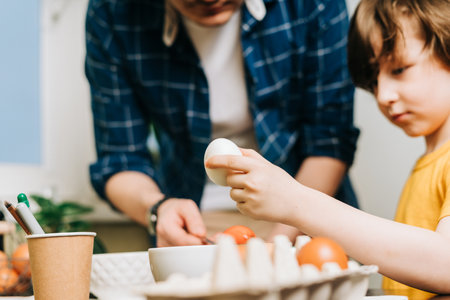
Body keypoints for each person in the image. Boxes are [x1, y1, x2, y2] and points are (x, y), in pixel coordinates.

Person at [206, 0, 450, 296]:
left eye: (399, 69)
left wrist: (295, 200)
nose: (383, 95)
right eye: (373, 81)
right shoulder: (432, 162)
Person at [85, 0, 360, 247]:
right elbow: (120, 160)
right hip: (196, 228)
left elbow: (329, 143)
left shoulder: (314, 4)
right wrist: (159, 210)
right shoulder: (112, 11)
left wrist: (277, 244)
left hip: (308, 211)